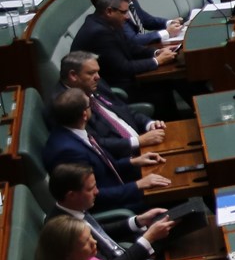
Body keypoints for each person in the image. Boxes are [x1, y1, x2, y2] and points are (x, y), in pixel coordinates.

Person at [41, 91, 171, 217]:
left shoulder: (74, 131)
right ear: (84, 114)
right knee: (171, 193)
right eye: (89, 105)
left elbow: (103, 167)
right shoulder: (68, 152)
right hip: (115, 205)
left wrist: (133, 161)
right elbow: (92, 195)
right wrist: (138, 185)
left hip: (119, 184)